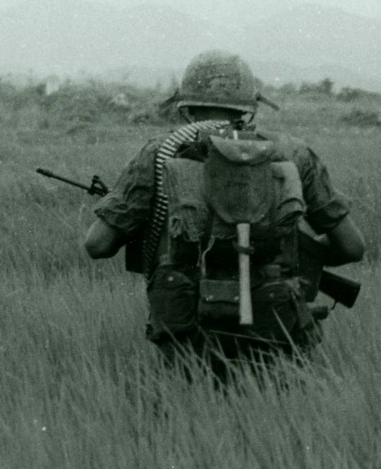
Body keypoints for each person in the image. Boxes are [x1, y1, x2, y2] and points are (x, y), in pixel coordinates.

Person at [83, 50, 365, 382]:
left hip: (186, 323)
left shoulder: (158, 153)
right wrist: (295, 255)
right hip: (275, 318)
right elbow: (351, 247)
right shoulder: (294, 153)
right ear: (250, 107)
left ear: (186, 108)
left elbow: (97, 244)